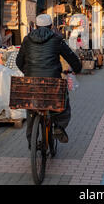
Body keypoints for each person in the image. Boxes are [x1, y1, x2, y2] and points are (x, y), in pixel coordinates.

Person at [16, 14, 82, 149]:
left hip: (32, 82)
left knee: (31, 111)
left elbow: (18, 61)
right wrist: (77, 68)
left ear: (35, 26)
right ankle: (59, 126)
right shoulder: (57, 39)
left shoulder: (27, 40)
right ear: (51, 26)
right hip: (52, 82)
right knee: (63, 101)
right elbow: (70, 57)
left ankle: (32, 143)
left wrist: (28, 72)